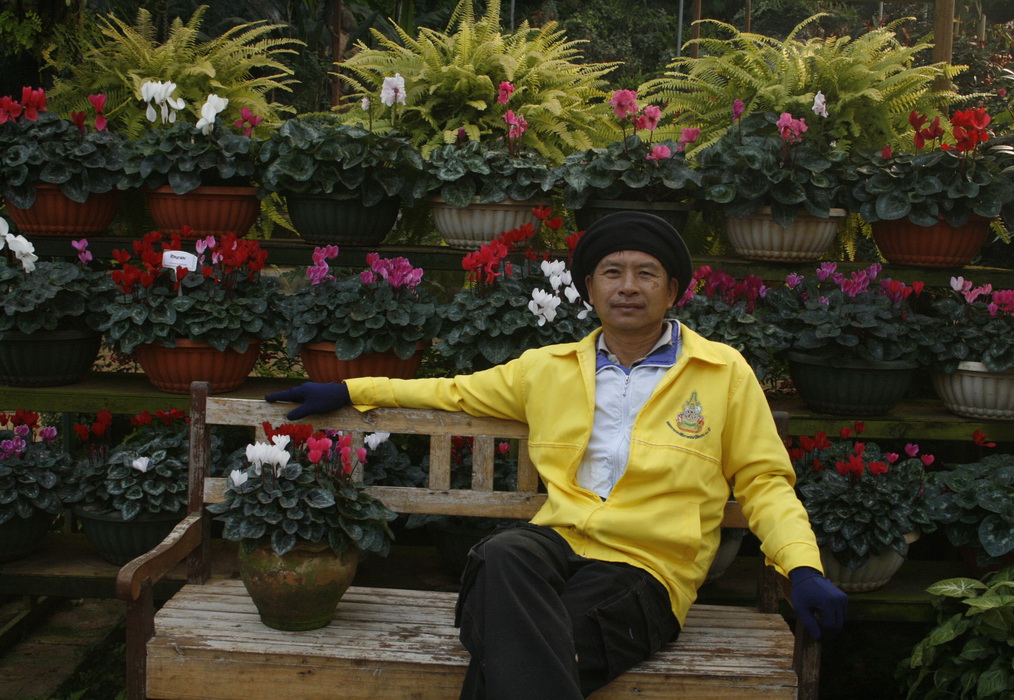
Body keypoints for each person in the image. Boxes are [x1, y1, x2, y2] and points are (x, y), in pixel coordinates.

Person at [266, 211, 847, 699]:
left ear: (672, 291)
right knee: (502, 554)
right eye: (612, 272)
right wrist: (351, 390)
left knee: (514, 641)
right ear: (589, 289)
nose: (628, 286)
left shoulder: (722, 373)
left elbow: (764, 480)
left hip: (645, 569)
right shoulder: (546, 369)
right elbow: (451, 391)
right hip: (555, 544)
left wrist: (802, 568)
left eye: (646, 273)